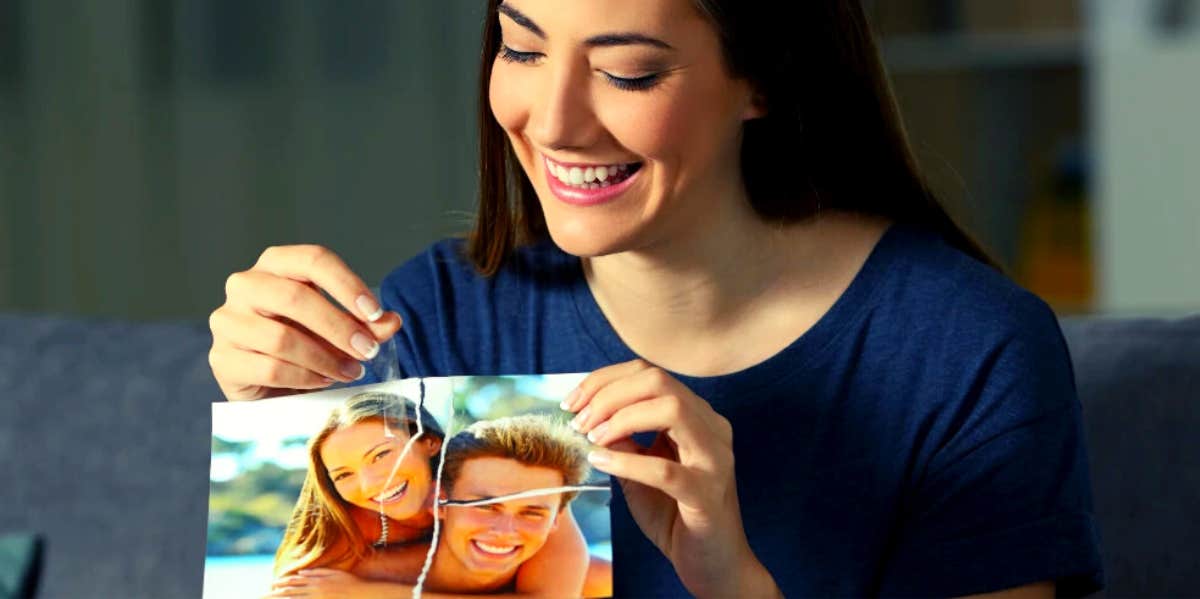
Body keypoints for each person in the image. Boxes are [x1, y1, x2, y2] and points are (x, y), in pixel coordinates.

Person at [210, 0, 1105, 596]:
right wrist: (282, 418)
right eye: (522, 48)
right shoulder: (440, 313)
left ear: (764, 78)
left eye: (629, 71)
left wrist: (733, 582)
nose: (552, 122)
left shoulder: (966, 350)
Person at [270, 392, 590, 598]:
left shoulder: (515, 484)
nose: (370, 485)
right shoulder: (350, 530)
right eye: (343, 474)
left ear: (429, 442)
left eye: (381, 455)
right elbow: (298, 590)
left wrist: (369, 593)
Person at [423, 415, 610, 597]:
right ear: (439, 503)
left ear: (556, 520)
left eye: (531, 513)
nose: (505, 531)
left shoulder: (601, 582)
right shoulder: (396, 550)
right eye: (485, 507)